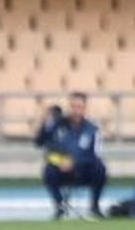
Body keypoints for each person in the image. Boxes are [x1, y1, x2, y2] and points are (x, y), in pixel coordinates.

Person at [34, 92, 107, 220]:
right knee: (48, 170)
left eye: (79, 107)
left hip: (84, 170)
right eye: (73, 106)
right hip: (62, 168)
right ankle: (60, 206)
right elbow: (40, 143)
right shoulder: (57, 125)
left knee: (100, 168)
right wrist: (45, 123)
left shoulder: (92, 129)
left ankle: (94, 207)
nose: (76, 110)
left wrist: (75, 162)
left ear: (85, 109)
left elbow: (95, 154)